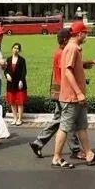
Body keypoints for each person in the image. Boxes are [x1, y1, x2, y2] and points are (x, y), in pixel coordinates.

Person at [51, 21, 95, 169]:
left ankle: (89, 154)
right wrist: (79, 93)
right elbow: (68, 71)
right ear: (79, 34)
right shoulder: (72, 48)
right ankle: (56, 157)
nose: (86, 35)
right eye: (85, 33)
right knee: (64, 127)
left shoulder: (74, 48)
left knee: (82, 126)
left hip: (77, 97)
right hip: (71, 97)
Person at [29, 29, 81, 158]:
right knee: (66, 120)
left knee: (61, 120)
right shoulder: (61, 54)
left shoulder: (61, 52)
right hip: (62, 91)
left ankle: (39, 143)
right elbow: (66, 72)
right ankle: (75, 150)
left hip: (61, 91)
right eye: (70, 38)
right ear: (65, 40)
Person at [5, 43, 28, 125]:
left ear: (19, 50)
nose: (16, 50)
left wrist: (21, 81)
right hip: (11, 84)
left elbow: (24, 72)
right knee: (12, 102)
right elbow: (6, 70)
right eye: (14, 48)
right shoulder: (8, 59)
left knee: (20, 102)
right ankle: (14, 118)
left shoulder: (22, 60)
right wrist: (7, 75)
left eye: (18, 48)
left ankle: (19, 119)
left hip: (19, 84)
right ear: (12, 49)